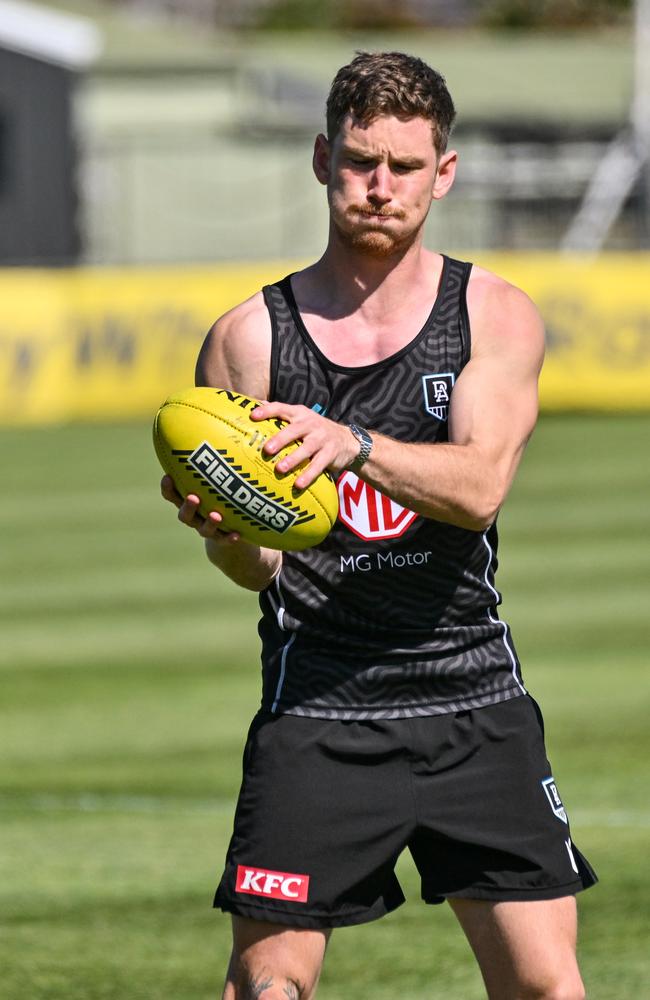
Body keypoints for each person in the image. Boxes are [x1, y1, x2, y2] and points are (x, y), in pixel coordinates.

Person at [161, 51, 596, 1000]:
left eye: (404, 167)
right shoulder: (247, 338)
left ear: (444, 173)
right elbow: (256, 566)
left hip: (474, 699)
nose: (379, 186)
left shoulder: (492, 316)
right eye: (361, 161)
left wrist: (348, 441)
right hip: (317, 709)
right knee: (267, 990)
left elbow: (480, 488)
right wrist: (223, 527)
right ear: (323, 158)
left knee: (547, 990)